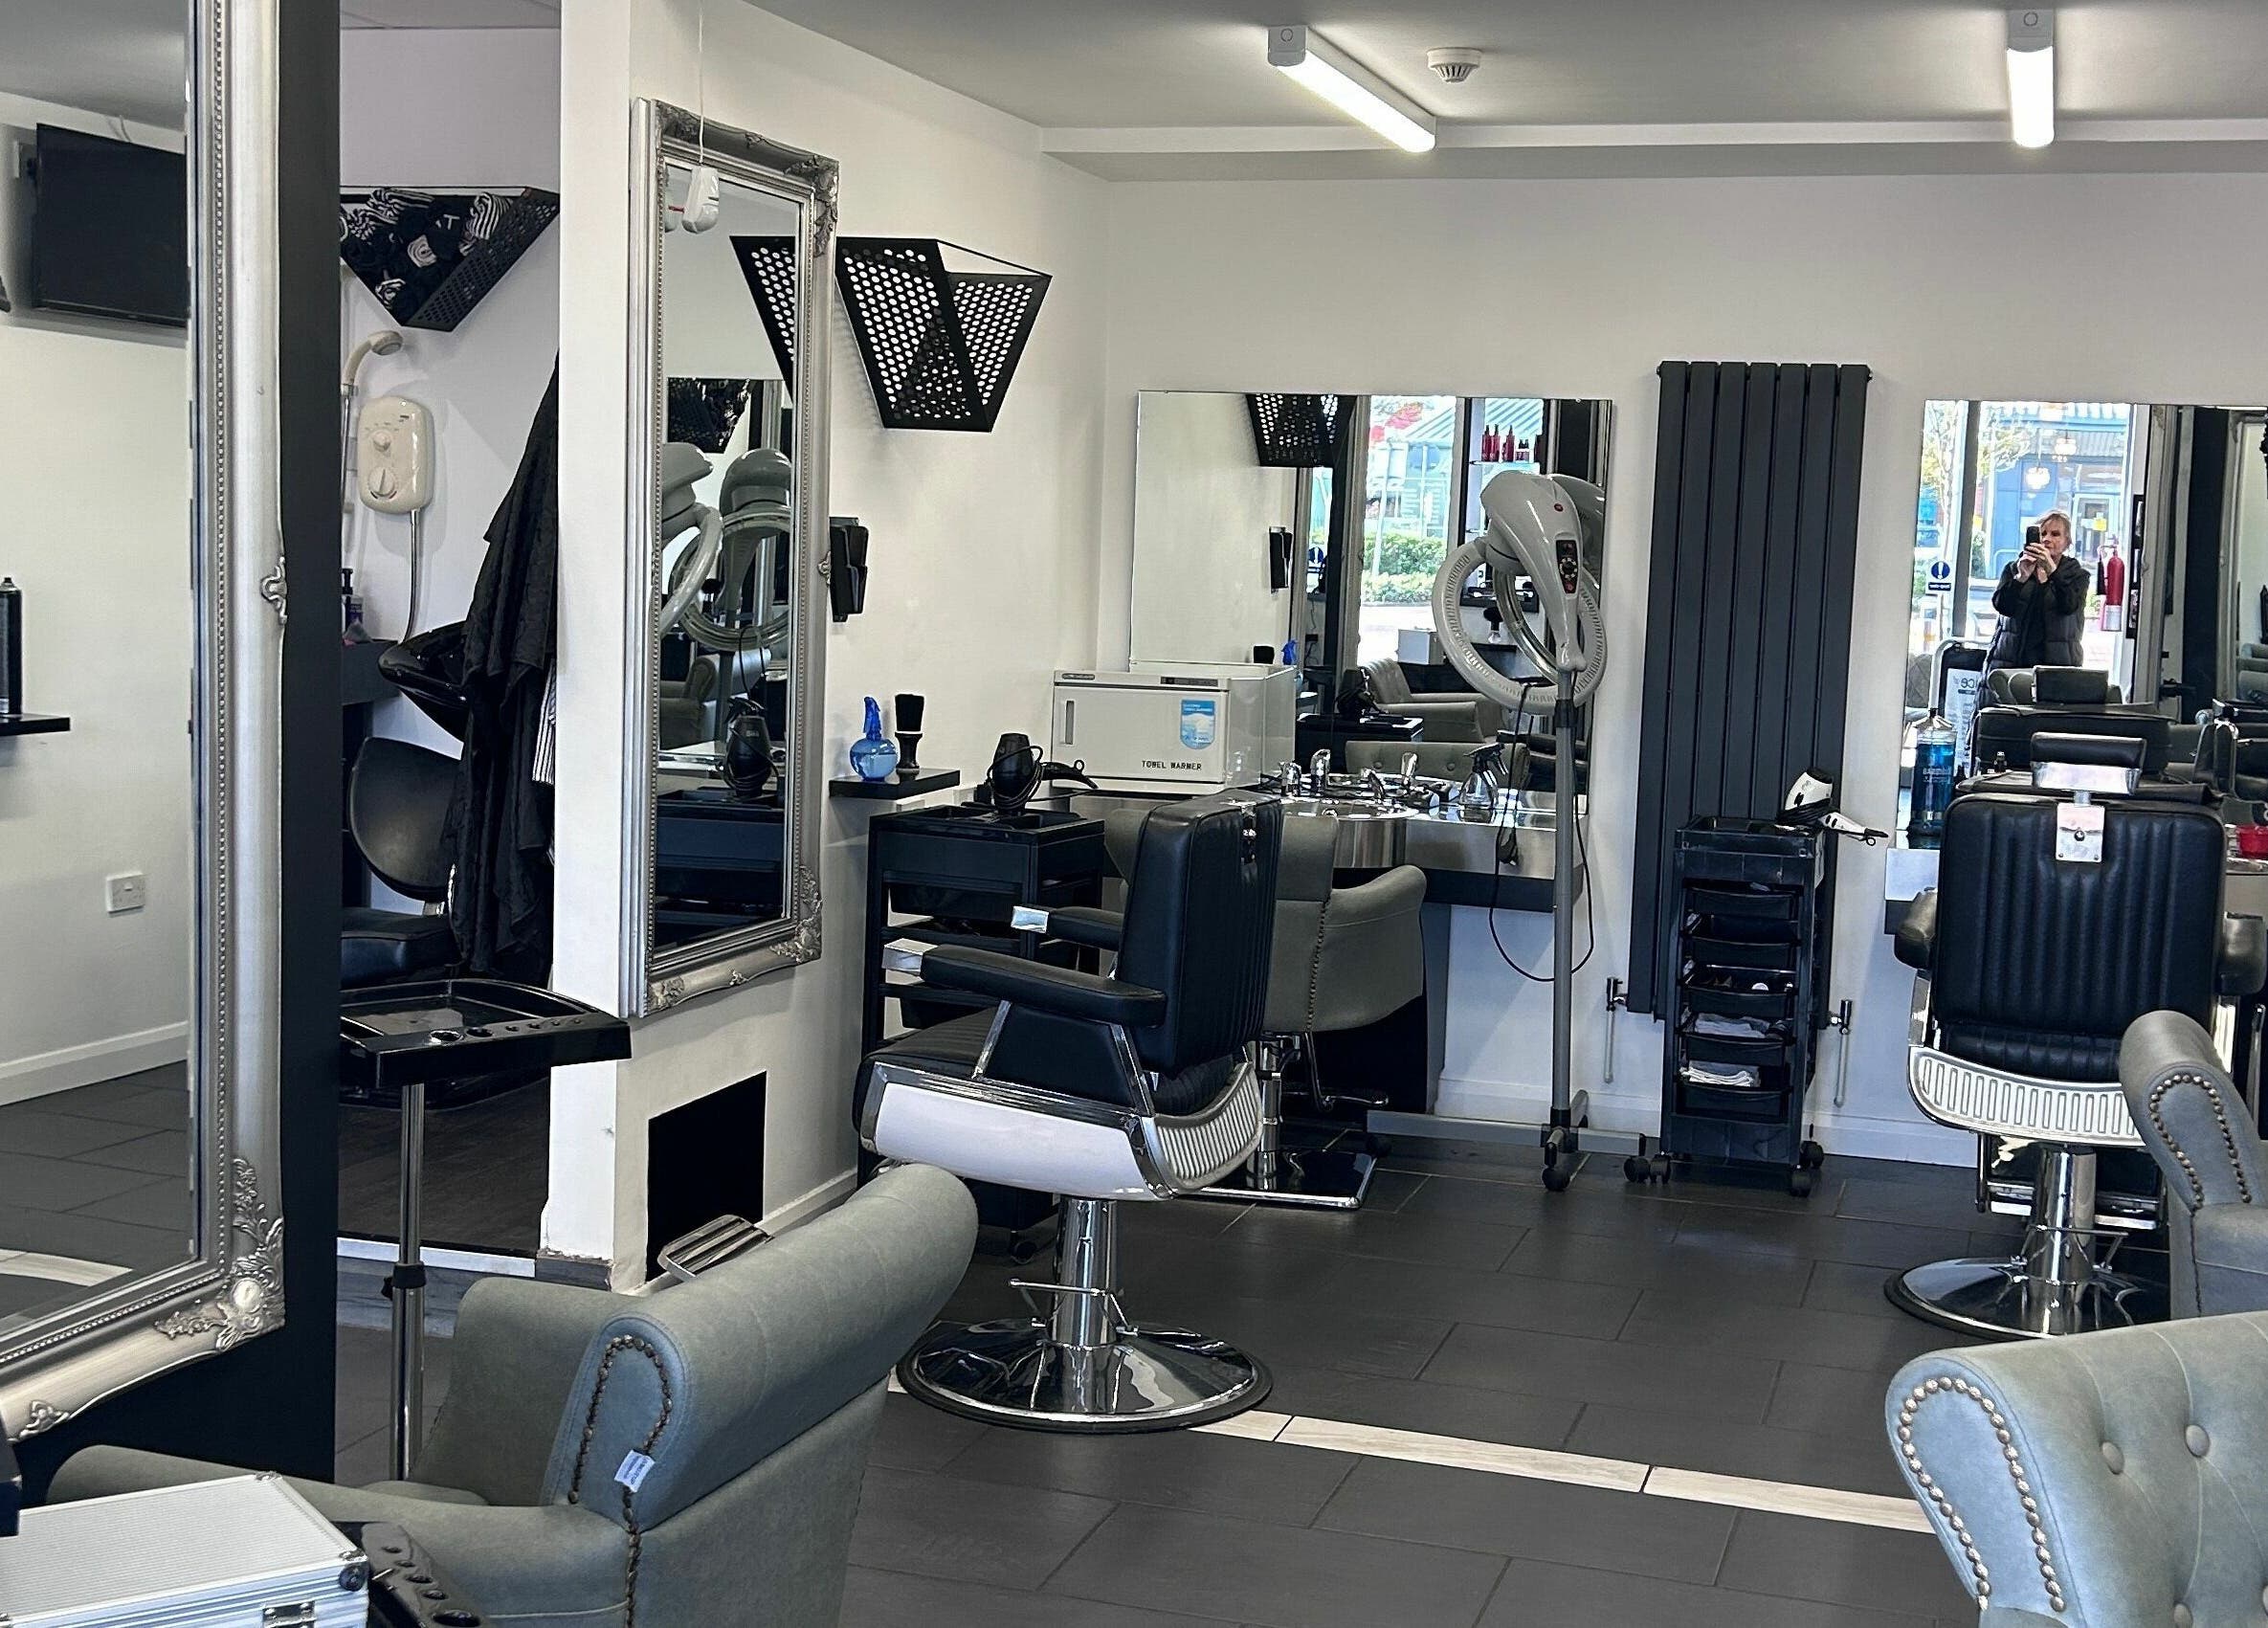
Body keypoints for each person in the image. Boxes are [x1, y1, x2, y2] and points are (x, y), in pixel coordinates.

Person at [1985, 509, 2090, 673]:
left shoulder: (2076, 575)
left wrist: (2053, 572)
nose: (2047, 539)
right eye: (2042, 534)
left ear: (2067, 542)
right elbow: (2002, 606)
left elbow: (2069, 606)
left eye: (2055, 534)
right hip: (2011, 660)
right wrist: (2020, 578)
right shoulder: (2014, 568)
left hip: (2056, 665)